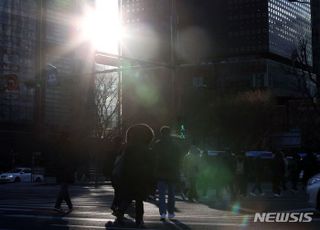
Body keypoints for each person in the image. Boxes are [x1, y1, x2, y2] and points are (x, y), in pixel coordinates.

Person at [112, 124, 155, 228]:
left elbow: (124, 164)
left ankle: (120, 212)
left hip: (129, 177)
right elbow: (151, 166)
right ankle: (139, 220)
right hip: (141, 178)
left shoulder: (128, 149)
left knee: (129, 198)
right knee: (139, 200)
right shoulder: (147, 150)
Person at [153, 126, 182, 221]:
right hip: (172, 172)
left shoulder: (158, 144)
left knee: (161, 195)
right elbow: (179, 160)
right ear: (169, 133)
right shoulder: (175, 145)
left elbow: (154, 158)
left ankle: (162, 213)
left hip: (161, 172)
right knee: (171, 194)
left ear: (161, 133)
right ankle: (171, 213)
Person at [54, 133, 76, 213]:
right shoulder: (67, 145)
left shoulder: (59, 145)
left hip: (61, 169)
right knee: (64, 188)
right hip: (65, 169)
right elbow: (70, 157)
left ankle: (70, 206)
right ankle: (57, 205)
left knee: (64, 188)